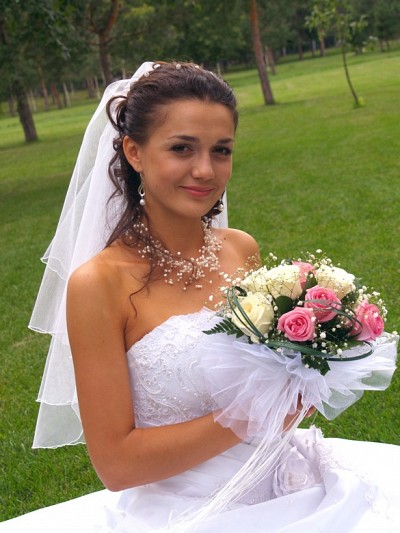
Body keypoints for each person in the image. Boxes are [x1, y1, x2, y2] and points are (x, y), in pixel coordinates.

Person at [1, 61, 399, 533]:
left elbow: (265, 372)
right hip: (187, 513)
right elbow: (117, 466)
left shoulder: (240, 248)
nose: (205, 170)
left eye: (221, 150)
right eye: (181, 148)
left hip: (292, 480)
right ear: (134, 152)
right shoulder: (100, 285)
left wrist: (304, 372)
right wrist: (252, 415)